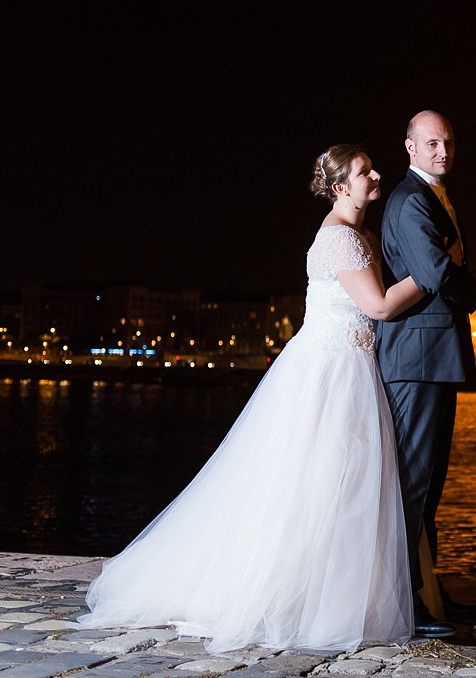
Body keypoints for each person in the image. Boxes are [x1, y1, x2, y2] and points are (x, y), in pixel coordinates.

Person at [79, 145, 430, 653]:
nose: (376, 174)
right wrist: (427, 274)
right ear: (340, 188)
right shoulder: (340, 240)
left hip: (342, 368)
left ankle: (325, 591)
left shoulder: (354, 236)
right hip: (333, 372)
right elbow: (376, 305)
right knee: (321, 482)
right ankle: (301, 595)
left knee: (325, 484)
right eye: (363, 171)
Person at [377, 110, 476, 638]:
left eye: (449, 142)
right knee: (413, 485)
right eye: (432, 143)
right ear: (410, 148)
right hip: (416, 360)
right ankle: (407, 605)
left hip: (432, 357)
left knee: (430, 484)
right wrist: (472, 288)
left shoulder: (430, 197)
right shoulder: (411, 200)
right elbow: (439, 273)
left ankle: (429, 590)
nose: (443, 151)